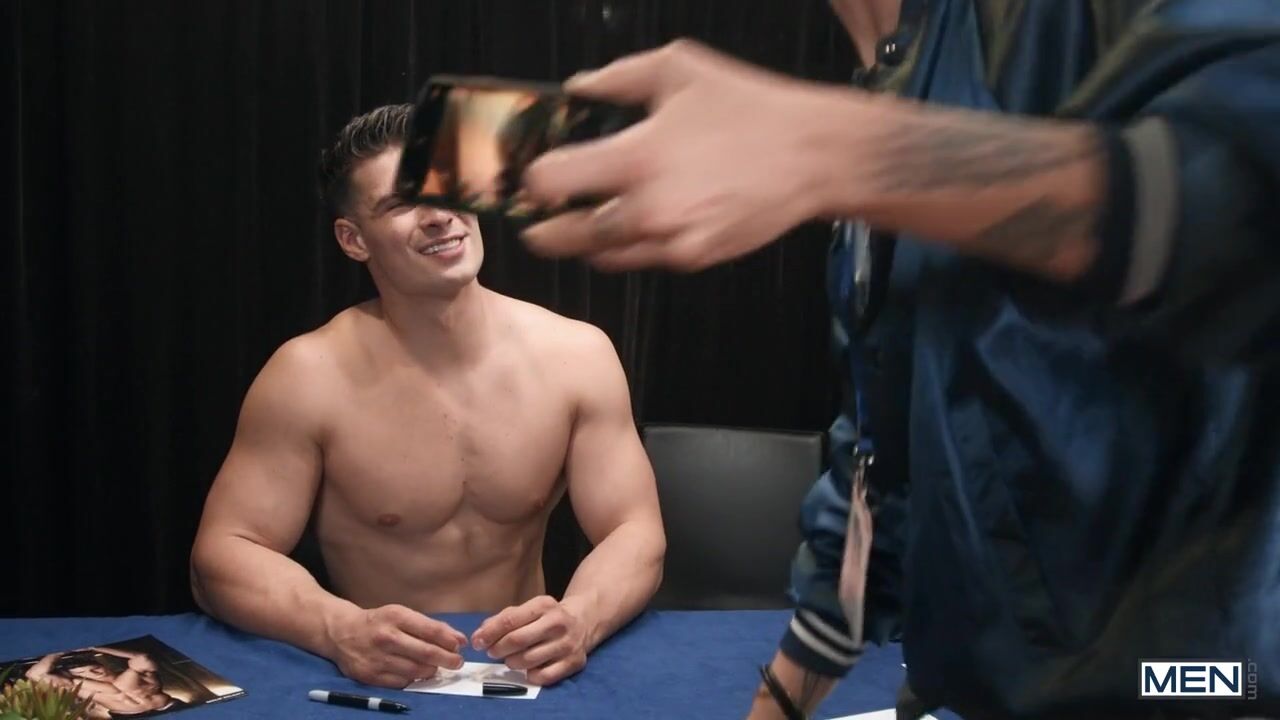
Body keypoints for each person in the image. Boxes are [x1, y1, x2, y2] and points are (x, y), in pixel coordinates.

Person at [515, 1, 1280, 718]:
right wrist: (780, 703)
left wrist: (838, 150)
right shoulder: (899, 73)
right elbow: (878, 474)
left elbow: (1243, 203)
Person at [189, 104, 666, 690]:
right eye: (401, 203)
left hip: (521, 679)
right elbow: (222, 556)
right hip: (384, 680)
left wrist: (581, 618)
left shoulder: (577, 355)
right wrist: (336, 628)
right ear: (354, 240)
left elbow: (634, 529)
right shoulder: (308, 376)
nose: (439, 216)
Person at [26, 647, 180, 718]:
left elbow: (142, 657)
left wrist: (96, 648)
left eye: (95, 668)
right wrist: (57, 652)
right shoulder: (80, 687)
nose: (95, 672)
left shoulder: (136, 675)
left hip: (170, 708)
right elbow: (33, 674)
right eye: (84, 672)